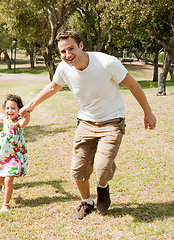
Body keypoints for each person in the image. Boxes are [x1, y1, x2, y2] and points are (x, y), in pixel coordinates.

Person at [20, 29, 156, 220]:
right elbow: (53, 87)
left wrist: (147, 112)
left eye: (71, 49)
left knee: (102, 168)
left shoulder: (107, 63)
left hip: (112, 120)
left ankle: (103, 186)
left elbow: (133, 85)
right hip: (86, 121)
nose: (68, 55)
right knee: (78, 169)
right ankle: (87, 202)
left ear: (81, 45)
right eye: (63, 52)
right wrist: (30, 106)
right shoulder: (64, 68)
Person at [0, 94, 30, 213]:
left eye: (13, 108)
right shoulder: (5, 119)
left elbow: (25, 122)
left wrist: (27, 115)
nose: (9, 111)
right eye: (7, 108)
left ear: (18, 110)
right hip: (3, 154)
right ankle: (5, 187)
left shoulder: (19, 121)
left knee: (8, 180)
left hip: (14, 155)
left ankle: (5, 204)